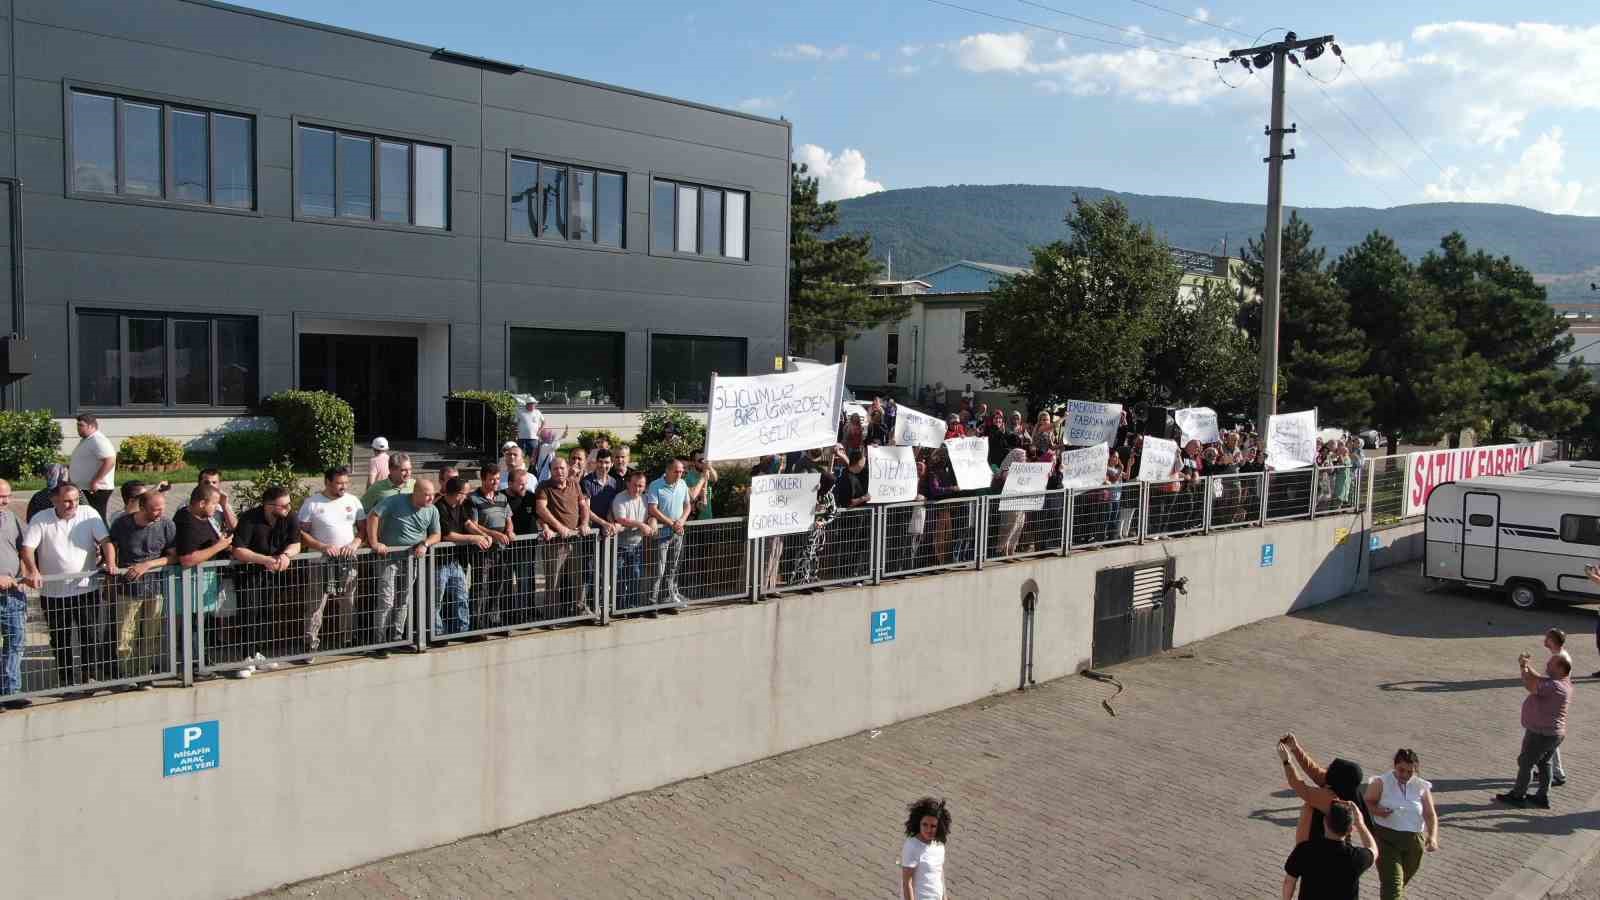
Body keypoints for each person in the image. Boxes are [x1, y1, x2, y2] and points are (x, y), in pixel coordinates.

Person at [20, 482, 113, 694]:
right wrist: (33, 570)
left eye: (76, 500)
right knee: (60, 638)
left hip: (86, 589)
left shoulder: (88, 513)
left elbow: (106, 541)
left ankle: (89, 676)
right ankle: (67, 680)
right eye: (67, 501)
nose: (73, 505)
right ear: (54, 501)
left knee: (89, 634)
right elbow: (27, 549)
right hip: (53, 593)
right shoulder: (41, 518)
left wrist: (111, 562)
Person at [104, 487, 175, 685]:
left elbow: (173, 556)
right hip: (128, 588)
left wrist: (148, 565)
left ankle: (145, 674)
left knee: (151, 633)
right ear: (142, 508)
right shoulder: (123, 524)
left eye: (162, 508)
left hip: (155, 588)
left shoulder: (166, 525)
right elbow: (111, 545)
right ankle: (127, 674)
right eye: (155, 509)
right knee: (126, 634)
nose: (160, 513)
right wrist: (110, 570)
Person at [229, 486, 301, 674]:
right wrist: (265, 560)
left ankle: (258, 652)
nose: (288, 508)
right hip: (248, 572)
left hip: (273, 572)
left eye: (289, 503)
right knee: (248, 613)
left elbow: (296, 543)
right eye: (283, 505)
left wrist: (286, 555)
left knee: (265, 612)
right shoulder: (249, 518)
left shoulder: (290, 517)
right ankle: (246, 657)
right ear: (269, 506)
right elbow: (238, 550)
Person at [365, 479, 440, 654]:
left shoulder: (432, 510)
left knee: (403, 599)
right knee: (386, 599)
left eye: (432, 494)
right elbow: (374, 515)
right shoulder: (394, 501)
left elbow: (437, 534)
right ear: (416, 492)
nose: (431, 498)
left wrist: (425, 544)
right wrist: (374, 542)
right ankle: (379, 640)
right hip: (389, 558)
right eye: (427, 494)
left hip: (411, 559)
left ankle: (397, 637)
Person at [296, 467, 365, 656]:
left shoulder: (353, 501)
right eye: (339, 483)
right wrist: (322, 546)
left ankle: (348, 639)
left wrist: (355, 543)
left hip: (347, 561)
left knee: (348, 601)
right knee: (316, 603)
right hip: (320, 562)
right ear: (327, 482)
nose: (343, 486)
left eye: (346, 482)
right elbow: (301, 533)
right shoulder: (312, 503)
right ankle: (310, 643)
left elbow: (362, 529)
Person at [1496, 649, 1573, 809]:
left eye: (1551, 664)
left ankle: (1518, 795)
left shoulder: (1555, 686)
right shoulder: (1562, 682)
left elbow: (1531, 685)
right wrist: (1527, 666)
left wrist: (1523, 668)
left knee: (1526, 762)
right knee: (1544, 763)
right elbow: (1538, 678)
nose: (1547, 664)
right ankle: (1542, 797)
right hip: (1554, 733)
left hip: (1541, 733)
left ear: (1560, 668)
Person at [1363, 748, 1438, 900]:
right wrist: (1378, 810)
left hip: (1414, 842)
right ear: (1394, 766)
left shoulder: (1421, 786)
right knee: (1393, 885)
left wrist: (1433, 836)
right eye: (1401, 770)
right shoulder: (1381, 782)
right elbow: (1367, 803)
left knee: (1400, 883)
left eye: (1410, 772)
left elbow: (1430, 814)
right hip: (1386, 839)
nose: (1404, 775)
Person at [174, 484, 233, 670]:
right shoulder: (186, 521)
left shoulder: (206, 518)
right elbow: (187, 558)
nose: (216, 508)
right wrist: (218, 547)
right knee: (192, 626)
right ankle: (193, 664)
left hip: (206, 580)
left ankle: (202, 659)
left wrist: (222, 543)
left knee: (204, 624)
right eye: (214, 503)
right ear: (201, 503)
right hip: (191, 583)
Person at [1279, 734, 1370, 843]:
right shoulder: (1344, 789)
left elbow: (1300, 788)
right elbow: (1315, 772)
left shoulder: (1331, 799)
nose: (1327, 768)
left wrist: (1286, 762)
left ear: (1338, 777)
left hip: (1314, 846)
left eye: (1331, 768)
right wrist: (1295, 748)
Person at [1282, 799, 1378, 900]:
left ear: (1324, 822)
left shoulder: (1304, 850)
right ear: (1350, 830)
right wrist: (1360, 824)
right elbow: (1374, 850)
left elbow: (1289, 881)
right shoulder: (1356, 857)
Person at [646, 458, 708, 611]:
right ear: (668, 470)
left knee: (673, 567)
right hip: (662, 534)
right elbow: (653, 509)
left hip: (678, 533)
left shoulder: (682, 484)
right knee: (659, 569)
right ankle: (652, 602)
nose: (680, 474)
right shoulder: (655, 485)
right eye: (677, 471)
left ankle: (668, 599)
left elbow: (687, 505)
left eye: (682, 471)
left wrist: (681, 521)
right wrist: (671, 523)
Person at [534, 457, 590, 618]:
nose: (560, 471)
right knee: (553, 581)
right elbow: (541, 509)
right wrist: (559, 528)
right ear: (551, 471)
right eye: (556, 469)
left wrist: (585, 523)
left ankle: (581, 611)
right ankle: (551, 615)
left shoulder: (575, 484)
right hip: (555, 543)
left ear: (567, 469)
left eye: (562, 468)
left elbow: (583, 506)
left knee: (578, 579)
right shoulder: (544, 487)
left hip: (574, 540)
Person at [434, 476, 489, 637]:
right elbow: (448, 535)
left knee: (461, 596)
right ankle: (437, 632)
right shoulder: (439, 507)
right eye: (465, 493)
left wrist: (483, 534)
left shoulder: (460, 506)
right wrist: (475, 538)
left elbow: (467, 524)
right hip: (438, 562)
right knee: (436, 600)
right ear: (457, 494)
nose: (467, 496)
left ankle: (462, 630)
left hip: (454, 561)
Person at [466, 462, 515, 630]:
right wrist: (495, 535)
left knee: (498, 585)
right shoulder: (473, 499)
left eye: (497, 479)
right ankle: (477, 623)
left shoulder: (502, 497)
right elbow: (474, 524)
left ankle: (492, 620)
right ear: (483, 479)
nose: (495, 483)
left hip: (500, 551)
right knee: (481, 586)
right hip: (483, 551)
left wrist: (509, 530)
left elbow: (508, 517)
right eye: (491, 480)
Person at [610, 470, 656, 615]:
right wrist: (641, 525)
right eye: (635, 485)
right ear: (628, 483)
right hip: (621, 546)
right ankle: (619, 607)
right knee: (620, 577)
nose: (638, 489)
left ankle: (633, 605)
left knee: (635, 575)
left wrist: (652, 522)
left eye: (641, 486)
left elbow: (651, 515)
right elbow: (621, 519)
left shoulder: (645, 498)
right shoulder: (620, 498)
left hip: (637, 545)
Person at [0, 479, 29, 706]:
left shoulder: (11, 518)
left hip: (13, 594)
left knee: (16, 642)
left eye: (8, 496)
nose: (6, 501)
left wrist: (28, 571)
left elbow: (25, 548)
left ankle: (11, 692)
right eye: (1, 497)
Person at [900, 797, 950, 900]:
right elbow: (906, 883)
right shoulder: (912, 846)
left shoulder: (939, 845)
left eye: (933, 826)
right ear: (919, 823)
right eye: (925, 824)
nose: (928, 830)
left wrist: (944, 897)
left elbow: (939, 872)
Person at [69, 415, 117, 520]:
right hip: (87, 488)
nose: (78, 428)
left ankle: (104, 536)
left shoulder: (98, 440)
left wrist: (95, 481)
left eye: (81, 425)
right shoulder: (88, 439)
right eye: (77, 425)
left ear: (91, 426)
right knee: (89, 518)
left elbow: (110, 460)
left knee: (96, 518)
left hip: (96, 489)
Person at [797, 472, 839, 586]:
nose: (833, 487)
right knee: (806, 555)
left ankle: (813, 579)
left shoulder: (829, 496)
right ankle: (803, 582)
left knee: (816, 555)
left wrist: (823, 521)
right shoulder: (812, 494)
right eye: (831, 484)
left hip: (820, 533)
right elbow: (800, 508)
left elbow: (833, 512)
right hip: (808, 531)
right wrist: (813, 510)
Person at [1543, 628, 1572, 786]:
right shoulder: (1559, 656)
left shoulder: (1559, 659)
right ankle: (1544, 768)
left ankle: (1558, 773)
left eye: (1547, 638)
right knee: (1546, 739)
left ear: (1553, 641)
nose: (1544, 640)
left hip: (1553, 704)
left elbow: (1553, 682)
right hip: (1553, 701)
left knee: (1549, 739)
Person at [197, 468, 239, 535]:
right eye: (206, 482)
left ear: (219, 484)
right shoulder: (190, 504)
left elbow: (233, 527)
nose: (211, 485)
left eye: (214, 482)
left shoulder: (222, 503)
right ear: (199, 484)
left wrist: (224, 505)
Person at [684, 449, 719, 520]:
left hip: (708, 517)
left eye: (705, 460)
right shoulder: (688, 476)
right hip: (694, 519)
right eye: (700, 461)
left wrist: (709, 466)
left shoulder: (707, 472)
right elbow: (689, 497)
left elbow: (715, 479)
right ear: (693, 462)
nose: (703, 463)